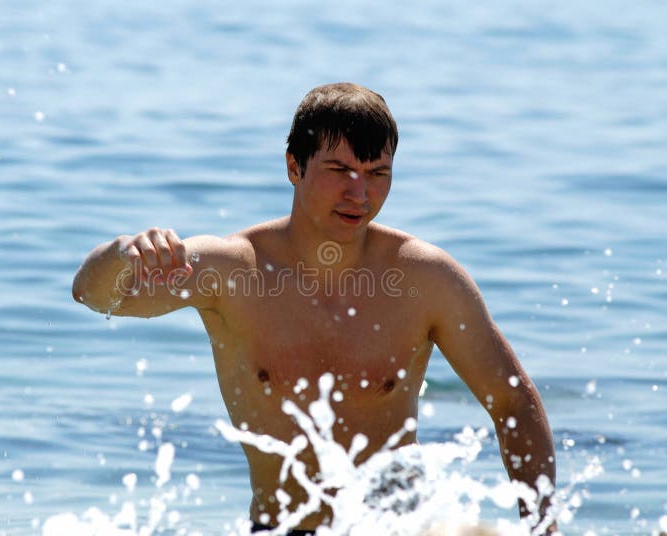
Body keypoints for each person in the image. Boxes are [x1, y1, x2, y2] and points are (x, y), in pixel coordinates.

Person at [72, 82, 557, 534]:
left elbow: (513, 401)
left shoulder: (426, 278)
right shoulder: (233, 270)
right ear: (293, 167)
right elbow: (93, 295)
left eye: (377, 174)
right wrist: (122, 254)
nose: (359, 194)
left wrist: (542, 527)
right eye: (339, 171)